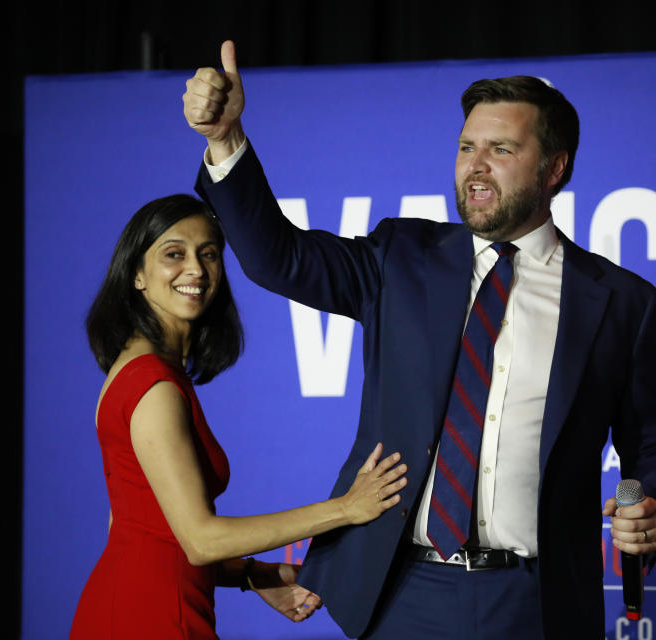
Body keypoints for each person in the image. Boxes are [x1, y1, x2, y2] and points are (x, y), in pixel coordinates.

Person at [184, 41, 656, 639]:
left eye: (501, 150)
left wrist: (647, 499)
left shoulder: (621, 302)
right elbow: (279, 259)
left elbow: (651, 446)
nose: (476, 165)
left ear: (555, 169)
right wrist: (226, 140)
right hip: (403, 591)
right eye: (466, 148)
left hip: (537, 602)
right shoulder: (402, 258)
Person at [70, 194, 407, 639]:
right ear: (136, 274)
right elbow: (201, 539)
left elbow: (142, 527)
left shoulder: (138, 369)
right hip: (153, 616)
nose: (196, 269)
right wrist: (345, 508)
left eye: (208, 254)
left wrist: (252, 574)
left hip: (135, 604)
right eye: (174, 254)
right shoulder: (151, 384)